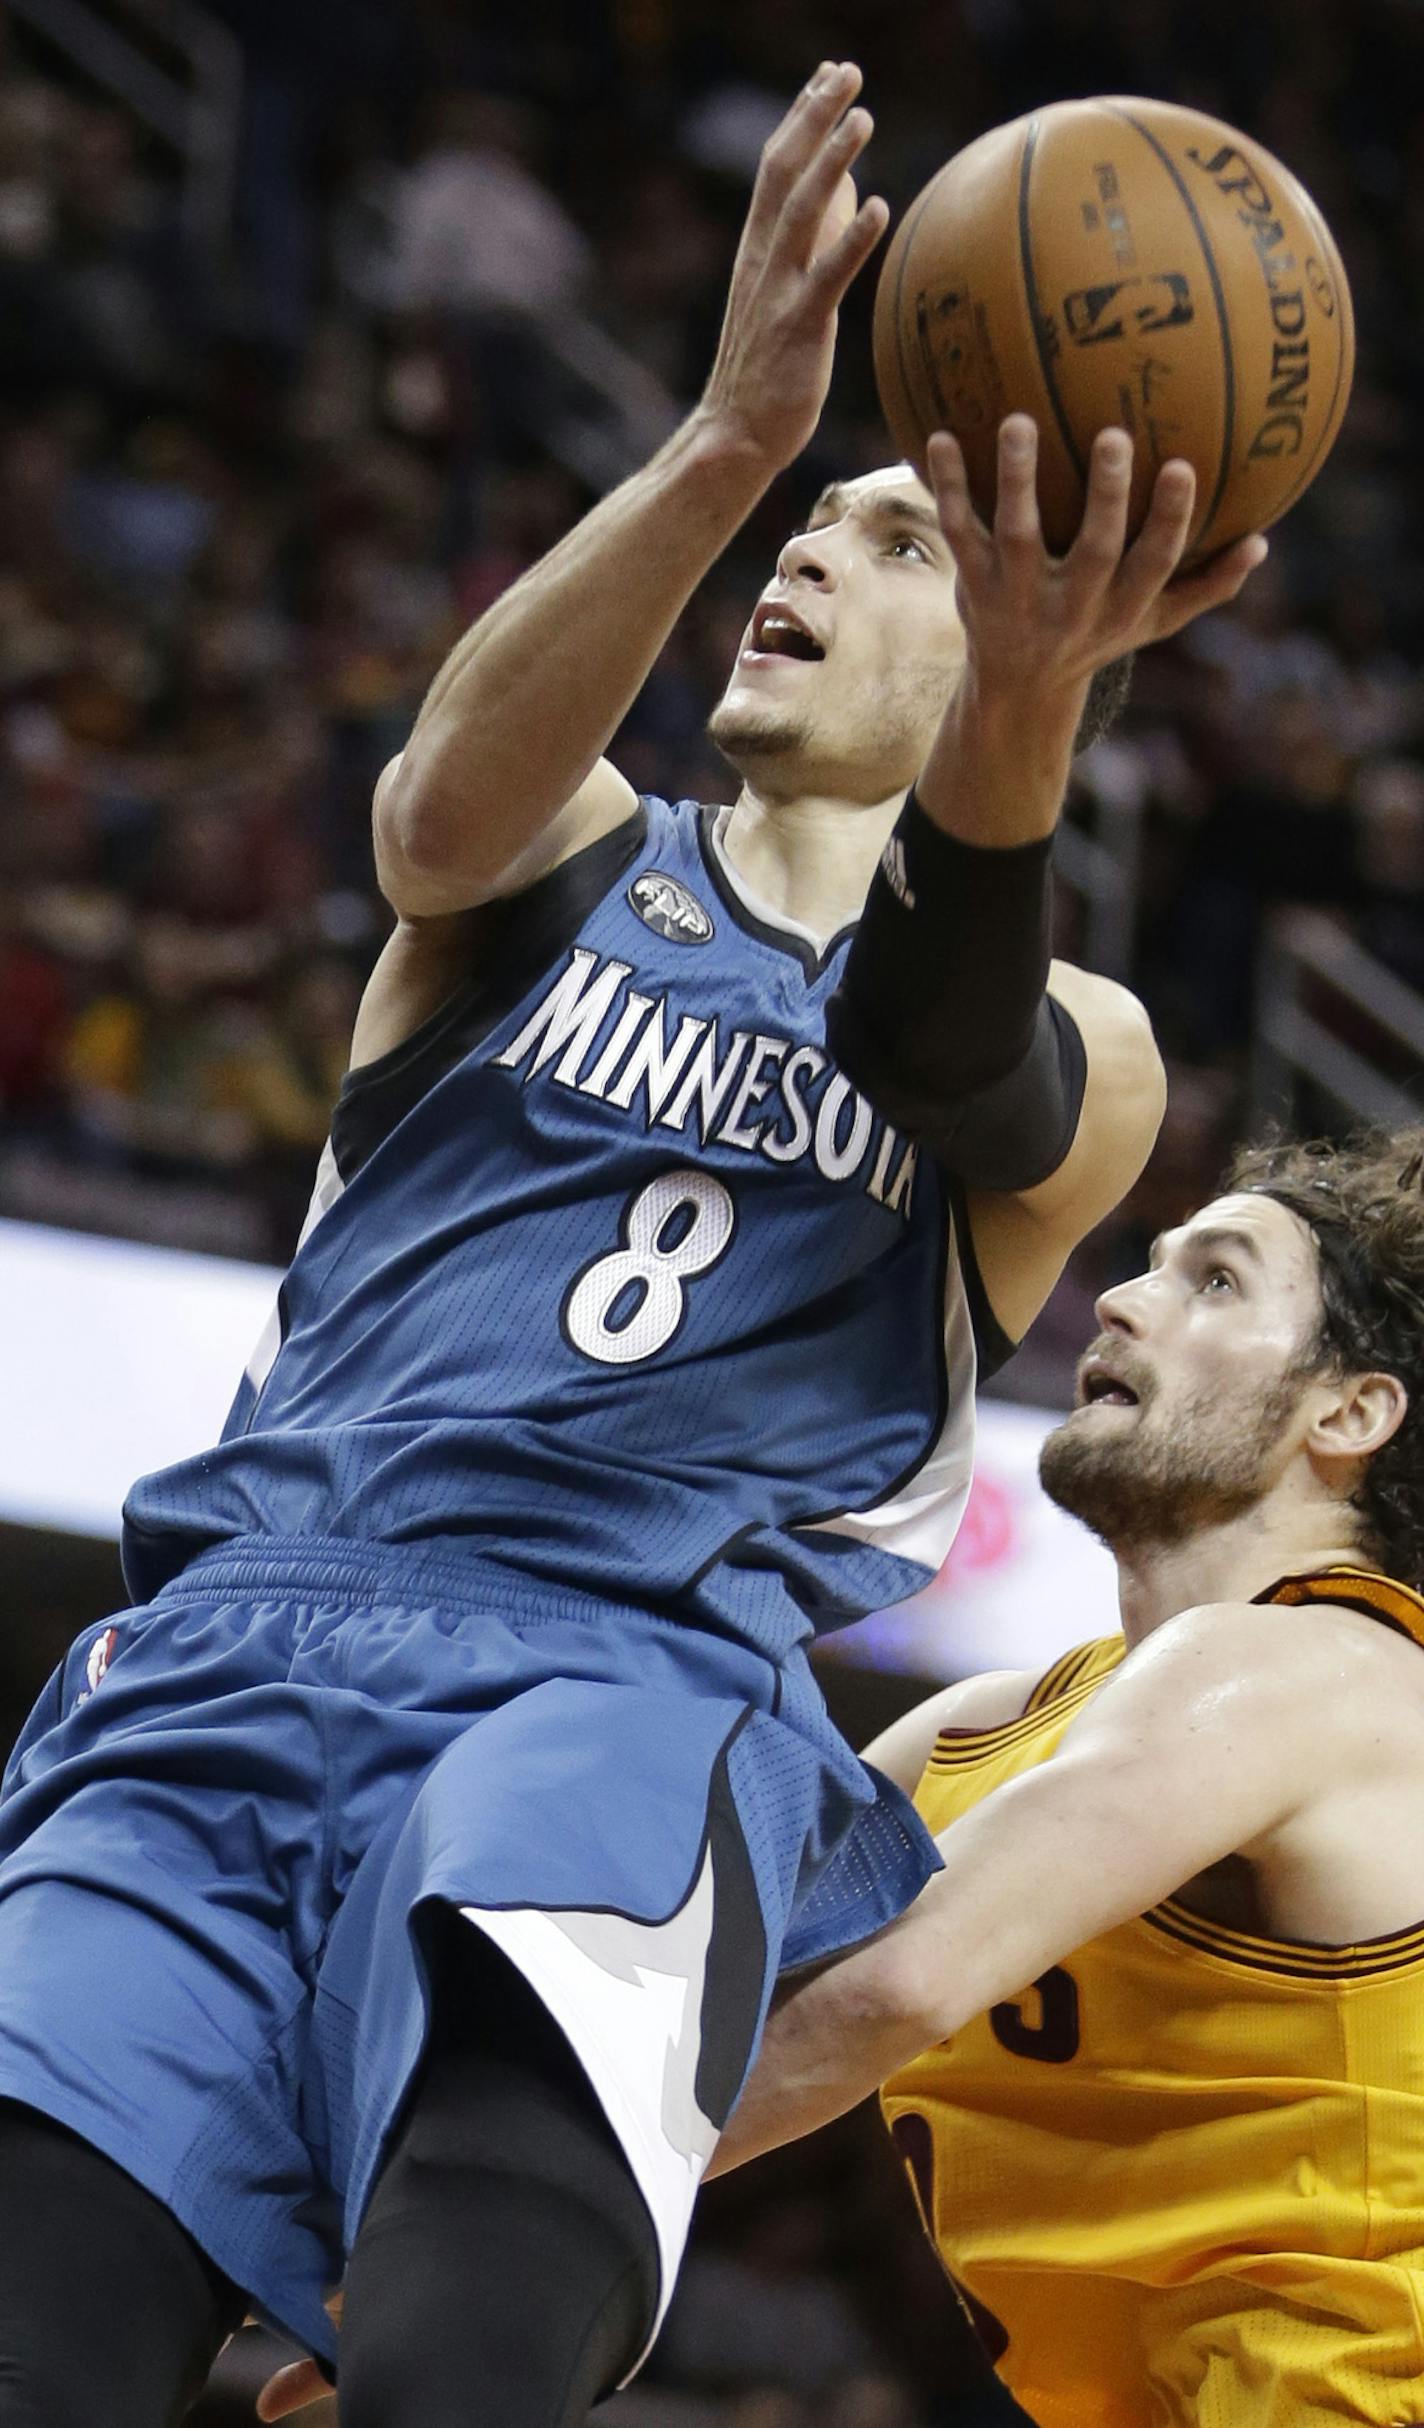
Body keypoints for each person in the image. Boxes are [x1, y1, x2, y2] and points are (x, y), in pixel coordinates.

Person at [0, 62, 1261, 2428]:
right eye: (815, 523)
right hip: (231, 1654)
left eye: (894, 538)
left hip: (615, 1686)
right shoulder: (563, 859)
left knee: (456, 2359)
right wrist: (719, 435)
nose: (807, 551)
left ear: (989, 630)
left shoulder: (1082, 1045)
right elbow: (427, 804)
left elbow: (941, 1041)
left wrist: (1032, 677)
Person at [715, 1128, 1424, 2428]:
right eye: (1151, 1266)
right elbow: (679, 1968)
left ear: (1350, 1411)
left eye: (1214, 1281)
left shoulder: (1330, 1665)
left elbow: (895, 1986)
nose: (1120, 1297)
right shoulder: (985, 1730)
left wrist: (501, 2222)